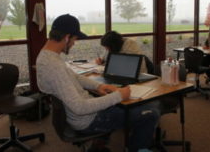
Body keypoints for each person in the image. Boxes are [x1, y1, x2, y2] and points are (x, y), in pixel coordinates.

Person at [36, 14, 160, 152]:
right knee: (151, 113)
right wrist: (118, 96)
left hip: (83, 115)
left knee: (117, 104)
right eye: (74, 39)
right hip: (88, 120)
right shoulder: (54, 66)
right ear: (66, 37)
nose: (74, 43)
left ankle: (100, 143)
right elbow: (79, 107)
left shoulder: (47, 56)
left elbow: (75, 77)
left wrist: (99, 86)